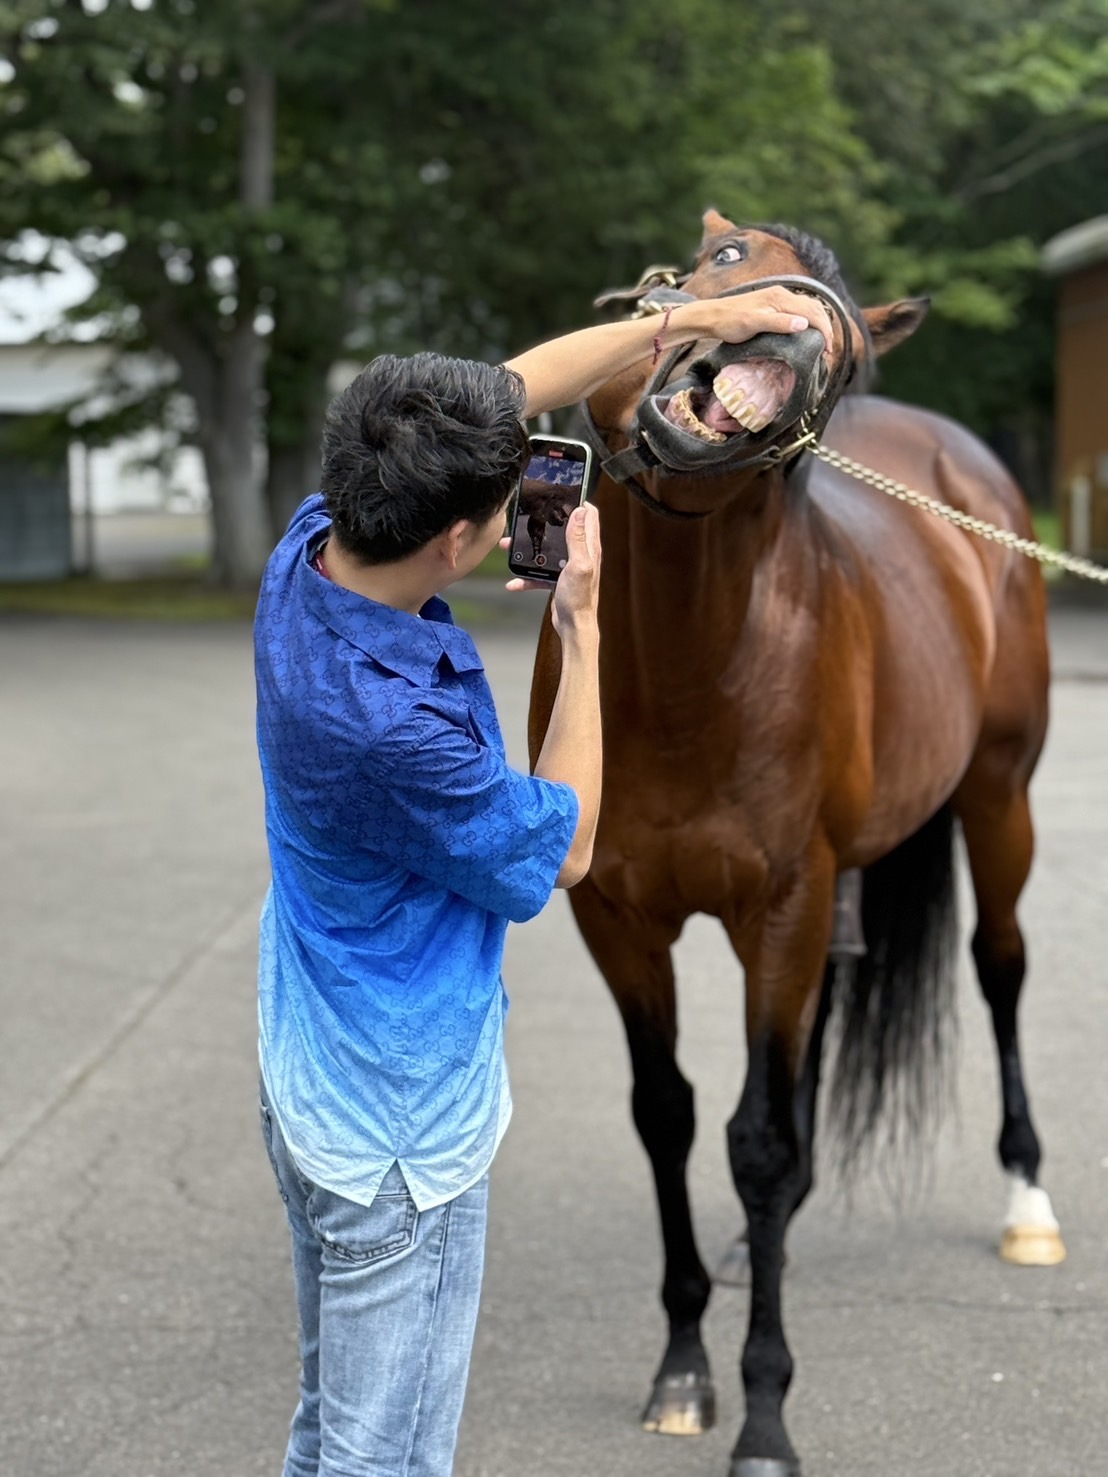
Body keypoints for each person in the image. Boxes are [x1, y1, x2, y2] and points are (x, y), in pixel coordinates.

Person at [253, 284, 832, 1477]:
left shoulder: (307, 553)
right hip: (397, 1134)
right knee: (381, 1455)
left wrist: (705, 315)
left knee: (327, 1424)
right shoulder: (392, 729)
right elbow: (562, 847)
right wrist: (583, 631)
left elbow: (519, 383)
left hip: (304, 1066)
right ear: (456, 541)